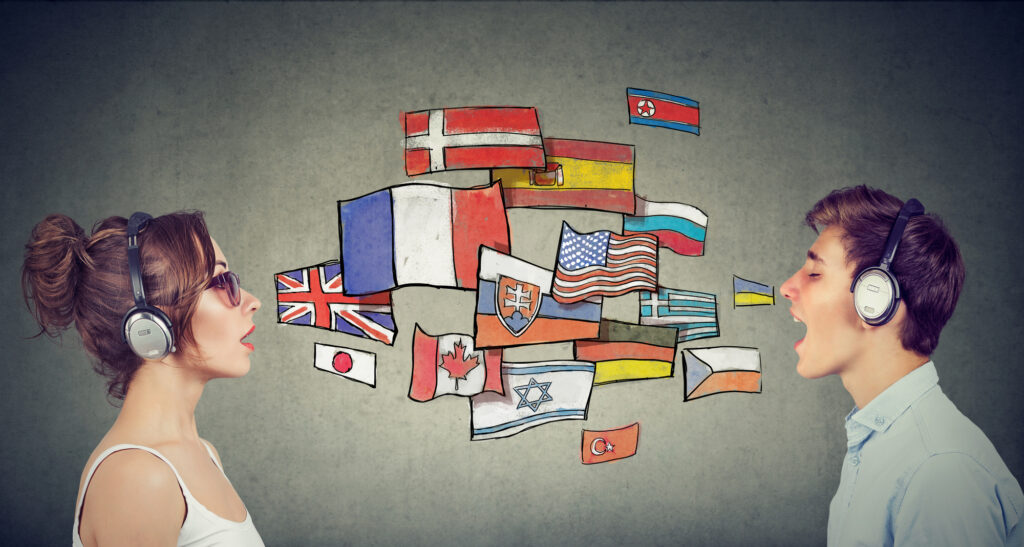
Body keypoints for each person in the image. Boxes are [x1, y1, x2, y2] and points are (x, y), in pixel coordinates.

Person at [780, 185, 1023, 546]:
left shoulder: (938, 472)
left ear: (874, 299)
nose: (787, 286)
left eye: (815, 273)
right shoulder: (884, 446)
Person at [22, 211, 265, 546]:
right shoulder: (139, 476)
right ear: (148, 325)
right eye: (218, 282)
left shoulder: (204, 453)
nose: (253, 302)